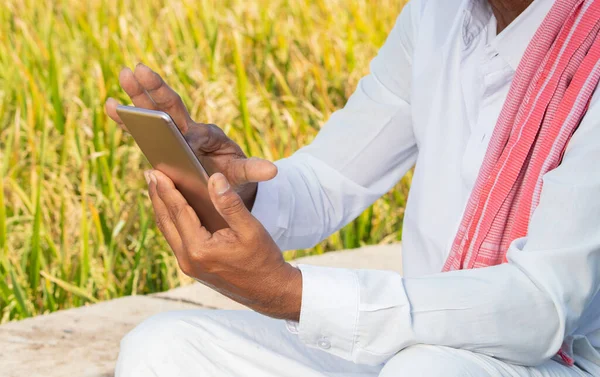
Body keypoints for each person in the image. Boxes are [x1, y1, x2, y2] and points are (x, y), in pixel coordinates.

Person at [105, 0, 600, 376]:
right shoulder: (435, 15)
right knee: (163, 349)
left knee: (426, 370)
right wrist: (231, 188)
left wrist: (294, 294)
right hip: (410, 342)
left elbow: (543, 305)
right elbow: (329, 180)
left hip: (555, 361)